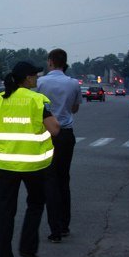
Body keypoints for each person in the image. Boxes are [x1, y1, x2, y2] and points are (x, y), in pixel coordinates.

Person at [0, 61, 60, 257]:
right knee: (35, 204)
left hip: (5, 165)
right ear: (27, 78)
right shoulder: (37, 100)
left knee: (6, 210)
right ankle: (27, 248)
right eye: (35, 76)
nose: (37, 79)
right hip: (34, 166)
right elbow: (54, 129)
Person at [36, 48, 81, 243]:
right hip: (65, 134)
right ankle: (64, 225)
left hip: (46, 134)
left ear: (51, 62)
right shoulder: (73, 84)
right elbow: (75, 108)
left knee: (49, 180)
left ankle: (54, 229)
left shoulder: (40, 83)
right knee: (64, 179)